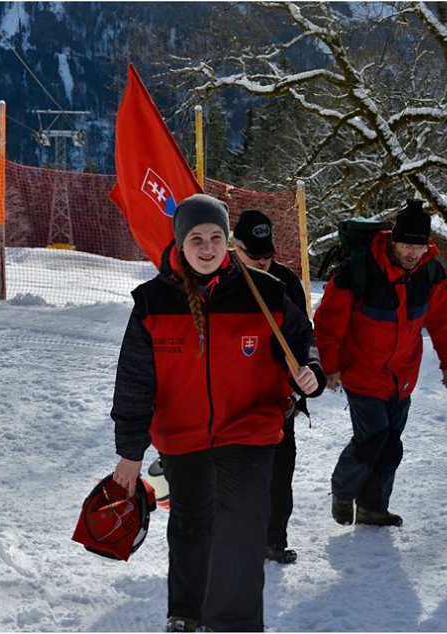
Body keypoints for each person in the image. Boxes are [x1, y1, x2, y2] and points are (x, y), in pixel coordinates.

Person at [110, 194, 326, 633]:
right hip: (182, 435)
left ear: (227, 242)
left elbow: (305, 344)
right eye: (196, 239)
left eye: (215, 238)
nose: (207, 248)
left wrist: (312, 374)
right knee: (193, 524)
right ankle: (187, 614)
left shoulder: (264, 293)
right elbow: (134, 382)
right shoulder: (153, 303)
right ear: (180, 242)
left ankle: (235, 624)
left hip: (250, 428)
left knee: (243, 526)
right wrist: (130, 453)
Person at [313, 199, 447, 528]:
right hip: (362, 373)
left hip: (402, 376)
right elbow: (328, 322)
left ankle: (372, 508)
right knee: (373, 438)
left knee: (391, 444)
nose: (411, 253)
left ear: (427, 246)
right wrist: (330, 366)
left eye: (418, 246)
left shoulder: (431, 272)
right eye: (406, 244)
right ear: (393, 240)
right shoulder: (360, 269)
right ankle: (342, 490)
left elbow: (444, 321)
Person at [232, 209, 309, 565]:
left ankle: (273, 540)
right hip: (232, 400)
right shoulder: (222, 280)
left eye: (268, 255)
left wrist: (306, 377)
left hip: (279, 400)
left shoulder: (286, 282)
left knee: (280, 475)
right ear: (235, 247)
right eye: (254, 256)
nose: (263, 262)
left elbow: (303, 337)